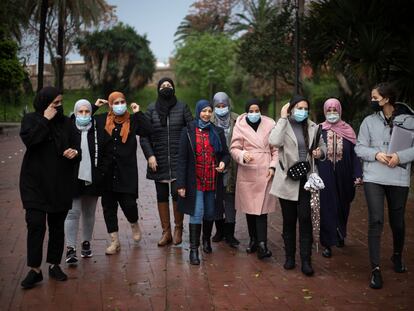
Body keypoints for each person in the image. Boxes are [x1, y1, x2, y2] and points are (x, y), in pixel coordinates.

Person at [355, 82, 414, 289]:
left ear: (386, 99)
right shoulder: (368, 122)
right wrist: (376, 154)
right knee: (376, 220)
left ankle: (397, 255)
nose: (372, 101)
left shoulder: (409, 121)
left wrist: (399, 156)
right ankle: (375, 269)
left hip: (398, 177)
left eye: (375, 98)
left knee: (397, 221)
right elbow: (359, 147)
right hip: (374, 177)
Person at [20, 86, 79, 289]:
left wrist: (75, 152)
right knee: (35, 223)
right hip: (33, 182)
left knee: (56, 226)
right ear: (45, 103)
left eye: (61, 103)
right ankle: (35, 270)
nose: (59, 107)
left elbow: (76, 144)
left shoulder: (66, 123)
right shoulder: (31, 119)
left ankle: (54, 264)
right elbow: (30, 141)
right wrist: (45, 119)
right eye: (55, 103)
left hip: (59, 182)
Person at [269, 95, 326, 276]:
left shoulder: (313, 127)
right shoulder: (283, 124)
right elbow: (274, 141)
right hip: (288, 179)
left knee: (305, 219)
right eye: (299, 108)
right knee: (289, 220)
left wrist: (319, 153)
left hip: (306, 180)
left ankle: (306, 260)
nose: (303, 111)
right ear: (291, 108)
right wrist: (283, 117)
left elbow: (322, 148)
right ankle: (289, 257)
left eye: (305, 108)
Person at [94, 91, 153, 255]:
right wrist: (94, 107)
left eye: (122, 102)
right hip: (106, 172)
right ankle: (114, 241)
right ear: (110, 105)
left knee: (129, 204)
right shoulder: (101, 120)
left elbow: (148, 130)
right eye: (116, 102)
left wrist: (138, 112)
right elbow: (81, 123)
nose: (119, 105)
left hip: (126, 172)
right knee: (108, 207)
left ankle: (134, 223)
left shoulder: (133, 121)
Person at [140, 78, 193, 246]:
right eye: (163, 86)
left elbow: (191, 130)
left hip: (179, 160)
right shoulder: (151, 109)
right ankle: (166, 232)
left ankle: (178, 229)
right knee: (161, 196)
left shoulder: (182, 107)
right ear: (158, 89)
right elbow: (144, 136)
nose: (166, 88)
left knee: (178, 194)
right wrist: (150, 156)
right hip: (159, 160)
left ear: (174, 88)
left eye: (169, 85)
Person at [176, 99, 230, 265]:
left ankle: (206, 240)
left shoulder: (217, 131)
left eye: (209, 111)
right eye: (203, 111)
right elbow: (182, 159)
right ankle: (194, 250)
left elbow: (225, 154)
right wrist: (181, 184)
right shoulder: (188, 131)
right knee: (197, 212)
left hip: (213, 180)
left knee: (210, 213)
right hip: (195, 181)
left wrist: (223, 162)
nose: (207, 114)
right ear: (198, 111)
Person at [64, 99, 113, 264]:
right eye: (80, 112)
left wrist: (101, 172)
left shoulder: (98, 129)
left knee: (89, 213)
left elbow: (107, 152)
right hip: (72, 177)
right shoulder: (68, 129)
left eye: (87, 112)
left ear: (91, 114)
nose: (84, 115)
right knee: (72, 213)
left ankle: (86, 243)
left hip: (94, 178)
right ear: (75, 113)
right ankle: (70, 248)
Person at [230, 99, 278, 259]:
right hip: (247, 171)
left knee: (261, 210)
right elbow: (234, 148)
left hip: (265, 171)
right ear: (246, 111)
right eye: (251, 110)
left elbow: (276, 149)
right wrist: (243, 155)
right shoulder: (240, 125)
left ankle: (262, 244)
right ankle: (253, 240)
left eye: (257, 110)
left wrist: (273, 166)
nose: (254, 113)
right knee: (250, 209)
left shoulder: (270, 124)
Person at [317, 98, 362, 258]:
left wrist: (357, 174)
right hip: (325, 174)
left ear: (340, 111)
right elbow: (314, 152)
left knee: (343, 206)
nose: (332, 114)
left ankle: (340, 233)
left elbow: (355, 154)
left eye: (335, 110)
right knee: (327, 207)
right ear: (324, 112)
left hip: (345, 175)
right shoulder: (319, 130)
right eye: (329, 111)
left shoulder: (348, 130)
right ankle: (328, 243)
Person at [210, 92, 240, 247]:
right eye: (218, 106)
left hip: (234, 165)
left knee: (230, 199)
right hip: (216, 165)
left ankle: (230, 234)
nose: (221, 109)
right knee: (216, 200)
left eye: (224, 106)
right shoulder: (209, 119)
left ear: (229, 105)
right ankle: (219, 231)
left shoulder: (238, 119)